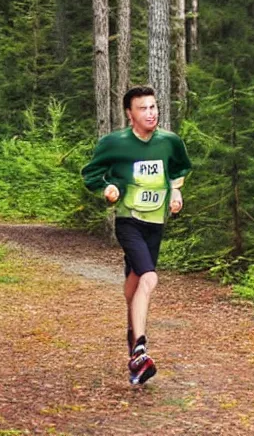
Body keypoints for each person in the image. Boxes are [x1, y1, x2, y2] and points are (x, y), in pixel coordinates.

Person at [82, 85, 191, 385]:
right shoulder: (114, 143)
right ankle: (140, 349)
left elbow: (178, 169)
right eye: (143, 108)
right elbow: (92, 172)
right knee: (149, 278)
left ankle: (132, 341)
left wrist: (176, 191)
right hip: (128, 220)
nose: (151, 113)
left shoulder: (170, 142)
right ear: (130, 114)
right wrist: (107, 188)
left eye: (154, 107)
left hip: (155, 223)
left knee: (133, 286)